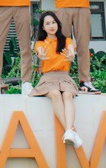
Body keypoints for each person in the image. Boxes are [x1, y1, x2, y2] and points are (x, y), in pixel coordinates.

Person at [30, 10, 82, 146]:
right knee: (55, 94)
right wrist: (41, 55)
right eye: (47, 23)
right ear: (43, 27)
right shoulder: (41, 43)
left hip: (64, 76)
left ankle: (69, 132)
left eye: (53, 22)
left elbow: (71, 50)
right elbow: (39, 51)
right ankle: (69, 131)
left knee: (67, 95)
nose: (51, 26)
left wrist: (72, 55)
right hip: (48, 78)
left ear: (58, 24)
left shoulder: (66, 41)